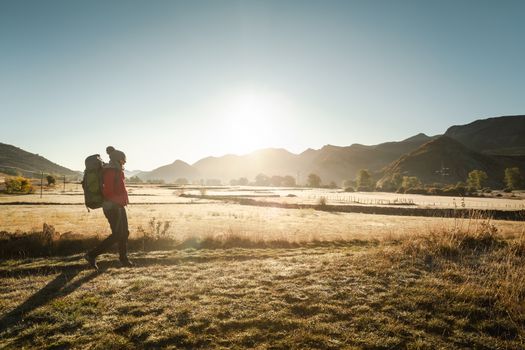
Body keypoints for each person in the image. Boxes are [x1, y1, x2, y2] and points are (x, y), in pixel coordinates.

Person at [85, 146, 133, 269]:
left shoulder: (117, 170)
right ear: (117, 159)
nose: (125, 162)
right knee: (117, 235)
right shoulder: (110, 171)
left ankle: (124, 259)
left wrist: (122, 202)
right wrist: (118, 201)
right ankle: (91, 255)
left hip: (119, 206)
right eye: (123, 159)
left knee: (124, 233)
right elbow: (108, 192)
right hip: (111, 207)